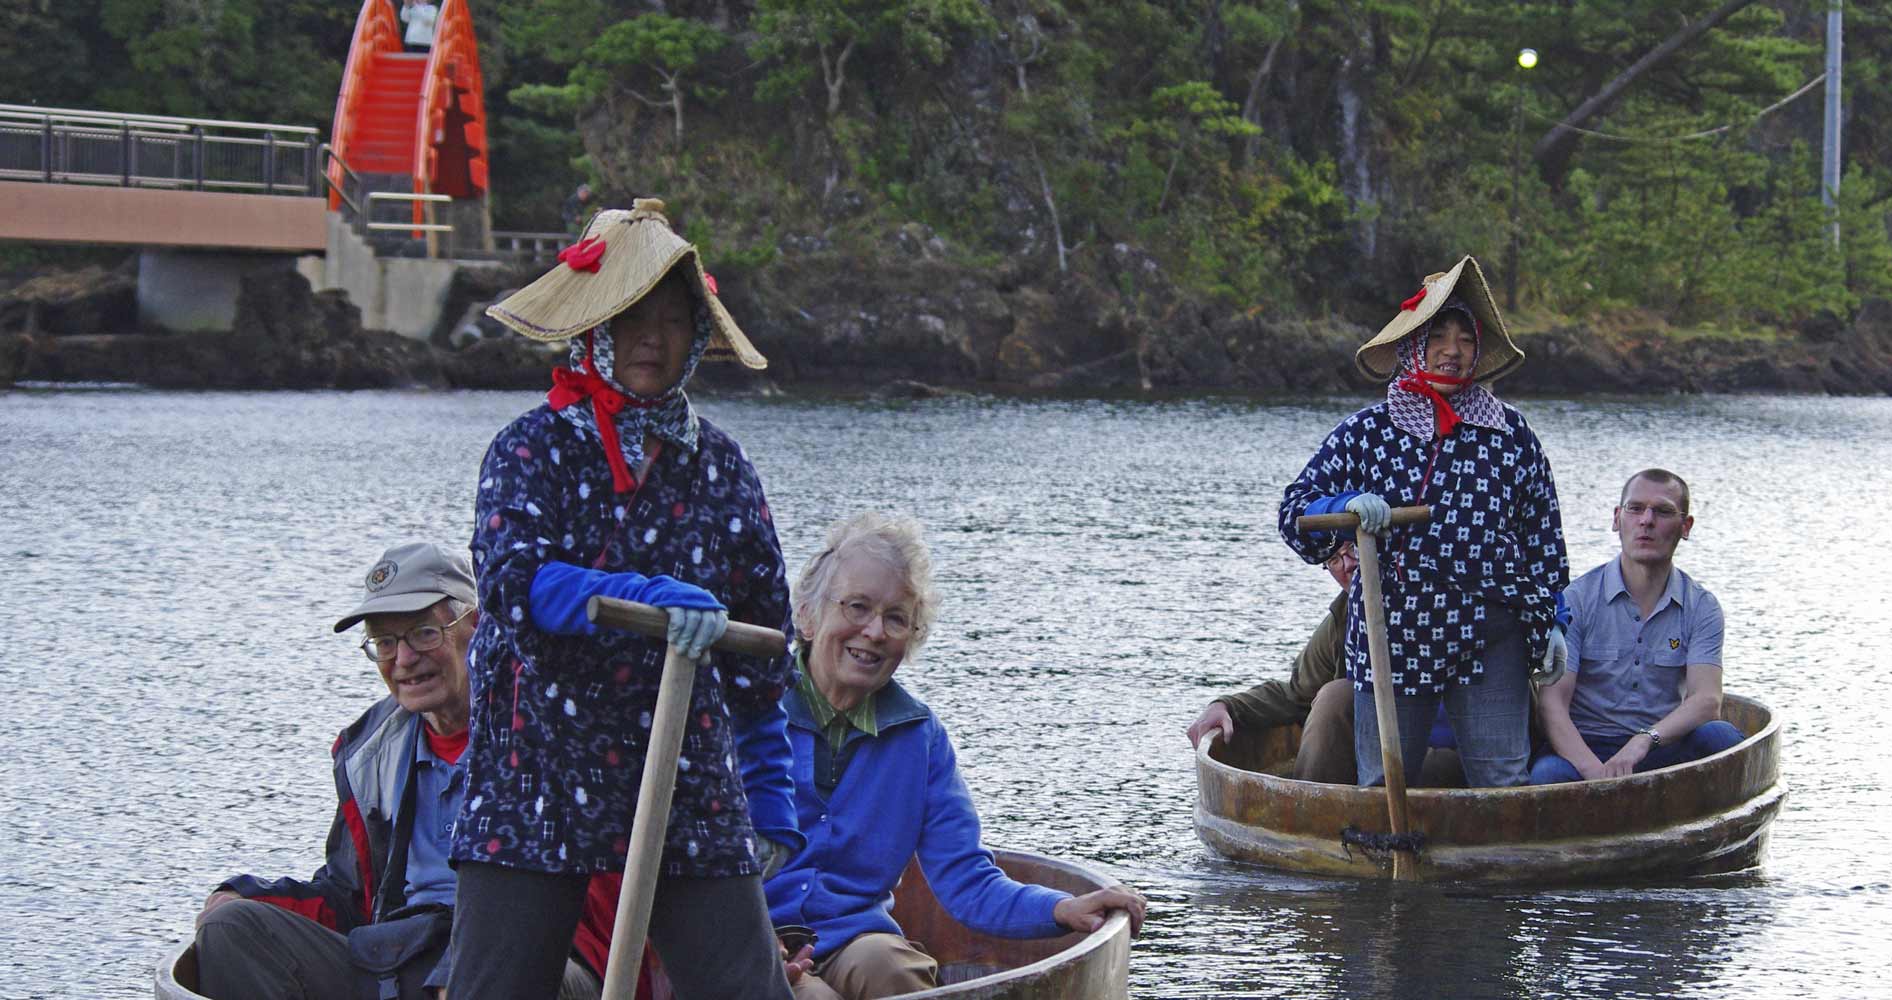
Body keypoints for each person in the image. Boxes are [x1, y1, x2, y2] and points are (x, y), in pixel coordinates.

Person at [451, 198, 798, 999]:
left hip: (683, 762)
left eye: (673, 319)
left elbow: (763, 636)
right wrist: (635, 593)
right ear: (593, 327)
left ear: (697, 336)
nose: (651, 337)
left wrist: (772, 789)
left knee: (747, 989)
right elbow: (514, 582)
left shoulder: (722, 467)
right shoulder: (529, 449)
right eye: (630, 316)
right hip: (536, 759)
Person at [766, 513, 1147, 1000]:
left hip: (857, 941)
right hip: (747, 938)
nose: (875, 631)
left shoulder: (919, 737)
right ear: (808, 615)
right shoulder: (751, 710)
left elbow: (967, 881)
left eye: (896, 618)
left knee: (892, 969)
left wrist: (1061, 910)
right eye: (857, 607)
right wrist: (746, 940)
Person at [191, 543, 597, 999]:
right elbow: (348, 897)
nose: (403, 660)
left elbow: (598, 902)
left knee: (494, 974)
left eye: (424, 633)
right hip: (400, 959)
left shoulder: (547, 726)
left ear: (477, 627)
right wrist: (245, 896)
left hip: (541, 964)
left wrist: (462, 971)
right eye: (385, 642)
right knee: (230, 927)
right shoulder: (369, 752)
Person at [1278, 256, 1568, 790]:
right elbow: (1296, 512)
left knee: (1503, 782)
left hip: (1492, 628)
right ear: (1414, 342)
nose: (1453, 352)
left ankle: (1503, 872)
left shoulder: (1511, 433)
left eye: (1465, 338)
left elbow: (1542, 537)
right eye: (1440, 336)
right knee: (1383, 785)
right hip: (1396, 629)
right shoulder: (1367, 431)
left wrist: (1555, 619)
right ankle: (1382, 869)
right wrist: (1346, 505)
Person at [1185, 540, 1460, 786]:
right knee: (1335, 695)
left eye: (1354, 548)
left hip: (1447, 763)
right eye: (1334, 559)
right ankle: (1312, 818)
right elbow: (1295, 694)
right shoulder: (1343, 619)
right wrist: (1226, 705)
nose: (1348, 564)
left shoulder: (1444, 602)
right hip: (1371, 763)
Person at [1529, 470, 1744, 783]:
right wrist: (1596, 773)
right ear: (1617, 518)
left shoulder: (1702, 606)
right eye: (1635, 508)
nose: (1647, 520)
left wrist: (1644, 740)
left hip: (1659, 746)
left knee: (1720, 738)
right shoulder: (1577, 599)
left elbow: (1707, 700)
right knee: (1548, 776)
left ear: (1686, 527)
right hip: (1584, 748)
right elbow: (1552, 704)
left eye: (1663, 511)